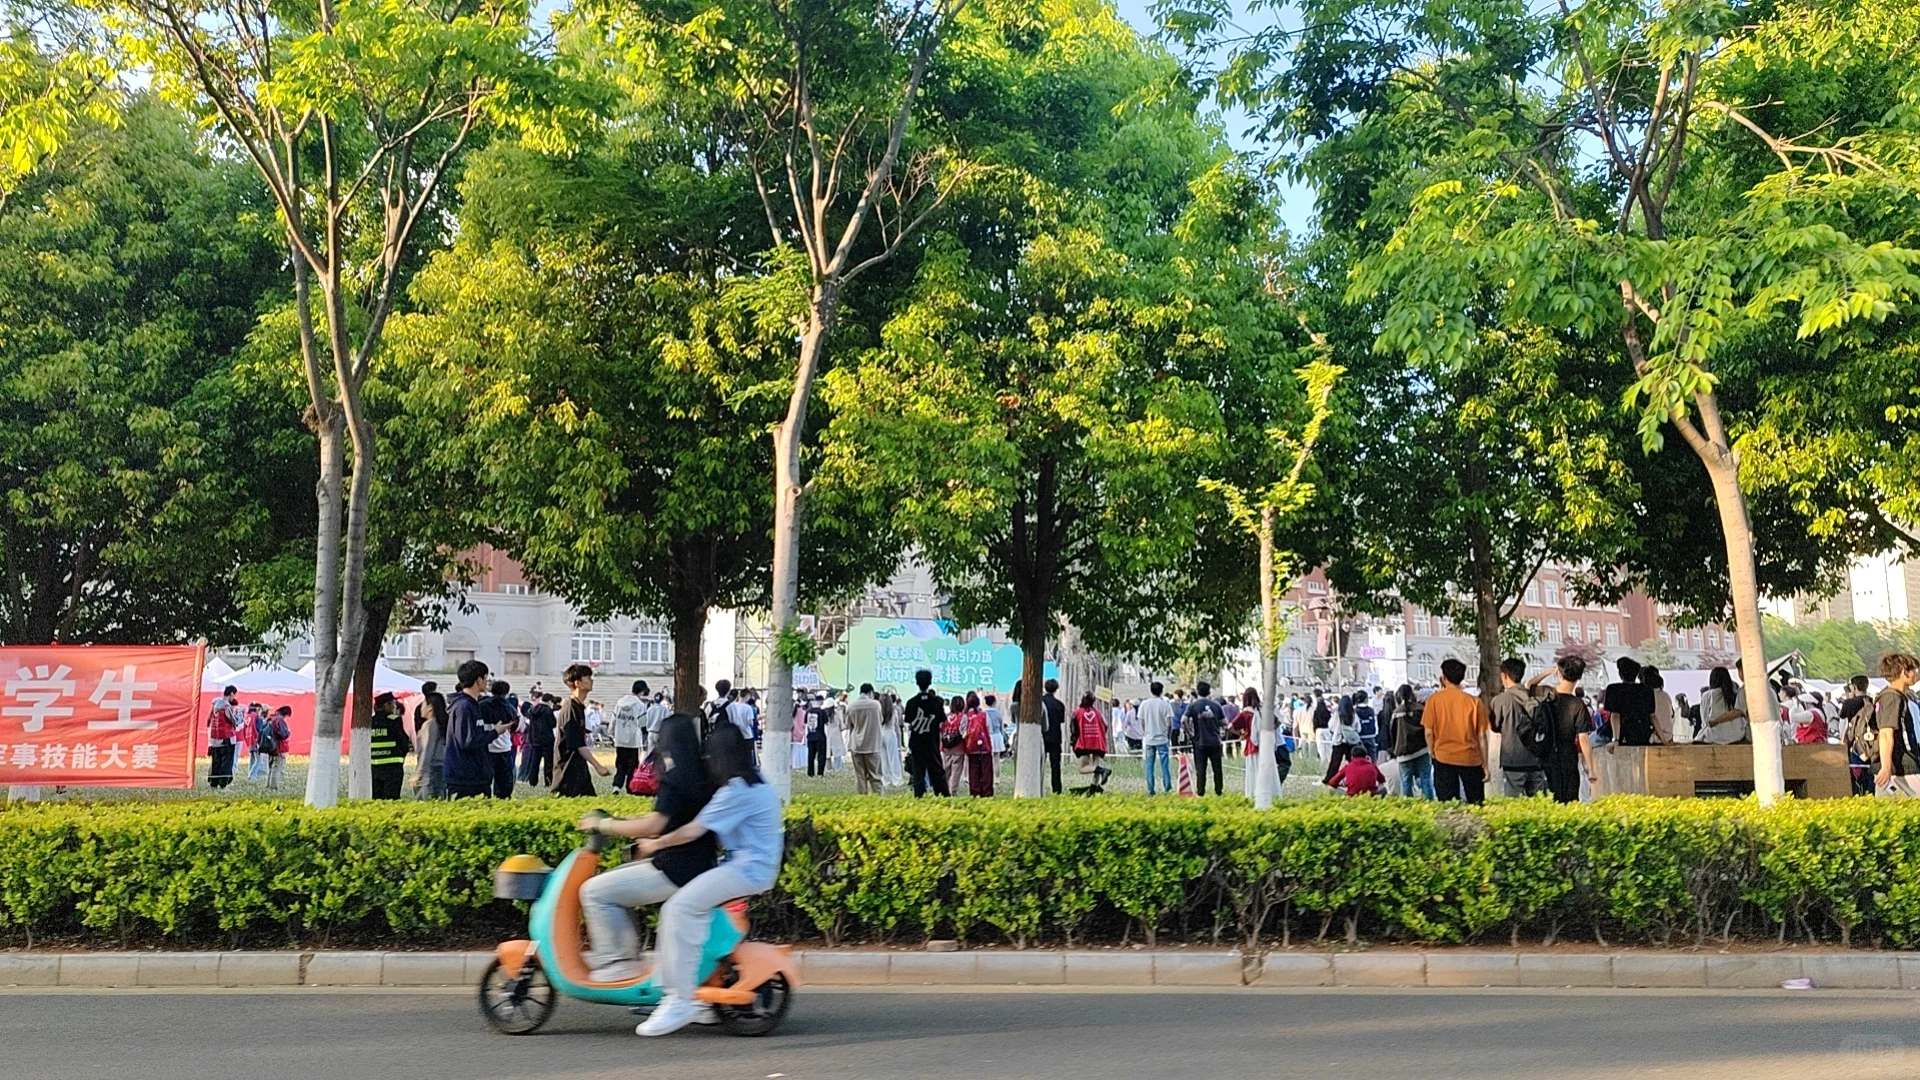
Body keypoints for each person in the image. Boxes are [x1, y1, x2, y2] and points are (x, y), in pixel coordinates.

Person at [635, 723, 784, 1038]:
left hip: (746, 870)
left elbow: (693, 831)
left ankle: (680, 998)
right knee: (693, 916)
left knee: (679, 909)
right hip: (750, 866)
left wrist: (655, 844)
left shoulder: (736, 792)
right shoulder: (759, 783)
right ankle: (702, 999)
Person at [577, 715, 720, 984]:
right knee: (616, 883)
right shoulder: (703, 774)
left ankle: (618, 961)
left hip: (673, 869)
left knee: (594, 891)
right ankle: (627, 956)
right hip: (699, 864)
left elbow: (655, 824)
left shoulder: (675, 778)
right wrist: (624, 822)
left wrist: (605, 824)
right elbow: (670, 819)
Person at [1420, 658, 1491, 804]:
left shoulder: (1433, 700)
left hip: (1443, 757)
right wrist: (1485, 764)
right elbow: (1482, 736)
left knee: (1448, 806)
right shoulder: (1475, 702)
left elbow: (1428, 732)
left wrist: (1431, 750)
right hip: (1471, 758)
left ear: (1444, 677)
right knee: (1476, 803)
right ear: (1463, 677)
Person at [445, 661, 507, 799]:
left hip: (475, 776)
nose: (487, 682)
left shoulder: (472, 704)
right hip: (465, 778)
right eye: (486, 678)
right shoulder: (464, 706)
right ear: (478, 680)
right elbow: (468, 741)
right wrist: (495, 732)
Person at [1543, 656, 1599, 802]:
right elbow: (1583, 738)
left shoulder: (1547, 696)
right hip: (1568, 756)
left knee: (1550, 801)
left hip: (1546, 755)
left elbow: (1528, 684)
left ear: (1559, 674)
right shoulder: (1578, 704)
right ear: (1579, 677)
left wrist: (1549, 672)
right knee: (1569, 800)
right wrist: (1591, 768)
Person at [1489, 658, 1547, 798]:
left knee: (1515, 803)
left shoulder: (1500, 700)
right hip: (1536, 757)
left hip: (1513, 758)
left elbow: (1495, 727)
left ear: (1504, 675)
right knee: (1540, 804)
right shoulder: (1534, 697)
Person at [554, 664, 612, 796]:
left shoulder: (578, 707)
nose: (592, 680)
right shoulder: (570, 708)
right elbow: (578, 744)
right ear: (577, 683)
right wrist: (598, 766)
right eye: (588, 677)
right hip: (567, 769)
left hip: (578, 766)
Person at [1871, 653, 1920, 797]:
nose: (1916, 674)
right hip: (1899, 768)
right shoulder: (1892, 697)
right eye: (1914, 670)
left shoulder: (1890, 696)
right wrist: (1886, 767)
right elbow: (1886, 733)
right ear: (1904, 671)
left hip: (1897, 767)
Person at [902, 669, 950, 797]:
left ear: (917, 682)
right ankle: (942, 796)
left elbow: (909, 720)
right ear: (930, 682)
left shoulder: (911, 703)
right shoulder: (937, 702)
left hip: (917, 743)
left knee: (918, 773)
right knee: (937, 772)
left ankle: (920, 797)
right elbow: (941, 720)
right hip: (932, 743)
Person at [1390, 684, 1432, 798]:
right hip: (1422, 750)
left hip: (1404, 753)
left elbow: (1393, 733)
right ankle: (1431, 806)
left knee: (1406, 782)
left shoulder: (1396, 712)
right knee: (1426, 779)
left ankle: (1408, 808)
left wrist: (1394, 751)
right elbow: (1427, 728)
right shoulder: (1421, 709)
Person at [1602, 657, 1656, 747]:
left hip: (1623, 735)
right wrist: (1664, 740)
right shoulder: (1647, 690)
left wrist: (1616, 739)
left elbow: (1615, 715)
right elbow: (1653, 716)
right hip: (1643, 734)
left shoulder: (1613, 689)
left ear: (1620, 674)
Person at [1186, 680, 1227, 796]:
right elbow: (1225, 722)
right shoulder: (1216, 705)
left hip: (1200, 741)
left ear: (1197, 691)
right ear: (1209, 691)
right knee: (1217, 768)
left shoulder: (1193, 705)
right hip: (1215, 741)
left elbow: (1183, 720)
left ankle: (1200, 791)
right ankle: (1218, 791)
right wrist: (1220, 731)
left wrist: (1190, 733)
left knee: (1201, 769)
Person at [483, 681, 519, 799]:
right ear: (506, 692)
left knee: (485, 780)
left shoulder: (482, 705)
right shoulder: (509, 707)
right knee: (504, 781)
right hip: (503, 747)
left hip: (487, 747)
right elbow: (516, 726)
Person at [610, 681, 649, 792]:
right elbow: (642, 723)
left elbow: (613, 719)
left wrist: (612, 733)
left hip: (620, 739)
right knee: (632, 766)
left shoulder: (620, 702)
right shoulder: (640, 705)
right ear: (642, 691)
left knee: (621, 764)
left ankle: (617, 785)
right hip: (634, 741)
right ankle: (630, 788)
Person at [846, 684, 884, 794]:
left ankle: (862, 800)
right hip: (872, 745)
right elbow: (880, 720)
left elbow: (848, 724)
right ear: (870, 692)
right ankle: (879, 800)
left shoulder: (851, 706)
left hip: (856, 745)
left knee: (860, 777)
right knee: (875, 777)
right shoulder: (876, 705)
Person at [412, 683, 448, 799]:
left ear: (430, 707)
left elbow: (427, 749)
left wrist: (419, 773)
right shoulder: (441, 723)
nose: (421, 707)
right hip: (440, 768)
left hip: (430, 772)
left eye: (423, 704)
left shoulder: (430, 724)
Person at [1139, 681, 1175, 795]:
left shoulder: (1144, 704)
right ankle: (1167, 788)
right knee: (1165, 765)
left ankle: (1151, 790)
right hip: (1162, 739)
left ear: (1151, 690)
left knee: (1149, 765)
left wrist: (1146, 732)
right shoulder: (1165, 705)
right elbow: (1170, 724)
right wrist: (1168, 737)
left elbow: (1142, 721)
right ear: (1161, 691)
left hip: (1149, 739)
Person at [1071, 691, 1111, 790]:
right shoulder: (1098, 712)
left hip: (1085, 742)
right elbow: (1106, 724)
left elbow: (1073, 729)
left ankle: (1102, 771)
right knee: (1095, 765)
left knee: (1082, 768)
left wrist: (1074, 741)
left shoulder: (1077, 712)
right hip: (1098, 742)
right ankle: (1094, 787)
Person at [1701, 666, 1750, 744]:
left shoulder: (1707, 695)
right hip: (1737, 735)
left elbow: (1705, 720)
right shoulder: (1735, 694)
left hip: (1715, 736)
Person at [206, 685, 241, 789]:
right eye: (234, 695)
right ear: (231, 693)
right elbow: (233, 721)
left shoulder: (215, 705)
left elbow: (209, 721)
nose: (233, 697)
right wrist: (239, 716)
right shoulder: (226, 706)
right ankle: (223, 783)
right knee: (227, 762)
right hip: (227, 738)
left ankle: (213, 782)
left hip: (215, 738)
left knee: (216, 761)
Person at [520, 693, 558, 786]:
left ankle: (532, 781)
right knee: (548, 762)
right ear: (549, 701)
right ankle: (548, 781)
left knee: (535, 762)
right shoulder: (548, 710)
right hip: (547, 739)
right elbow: (553, 724)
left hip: (535, 739)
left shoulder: (533, 709)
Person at [964, 692, 995, 796]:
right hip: (984, 748)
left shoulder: (966, 716)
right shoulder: (984, 715)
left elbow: (962, 732)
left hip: (971, 748)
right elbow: (990, 730)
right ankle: (987, 792)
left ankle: (975, 792)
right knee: (986, 771)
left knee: (973, 771)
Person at [1041, 679, 1067, 794]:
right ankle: (1057, 789)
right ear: (1056, 689)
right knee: (1055, 765)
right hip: (1055, 738)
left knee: (1039, 764)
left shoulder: (1040, 702)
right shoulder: (1059, 704)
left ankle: (1037, 786)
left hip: (1041, 737)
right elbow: (1061, 720)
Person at [1645, 667, 1682, 745]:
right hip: (1668, 736)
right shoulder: (1666, 696)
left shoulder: (1648, 696)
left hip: (1655, 737)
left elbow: (1653, 718)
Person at [941, 695, 969, 793]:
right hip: (958, 747)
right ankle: (952, 790)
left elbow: (941, 729)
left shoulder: (946, 716)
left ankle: (943, 789)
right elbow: (963, 732)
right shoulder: (963, 717)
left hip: (946, 747)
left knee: (946, 769)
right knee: (956, 771)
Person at [263, 706, 292, 792]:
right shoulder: (280, 720)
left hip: (270, 746)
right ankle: (273, 787)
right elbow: (283, 734)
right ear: (285, 714)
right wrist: (288, 733)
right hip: (279, 747)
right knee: (277, 767)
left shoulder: (270, 719)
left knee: (271, 766)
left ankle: (268, 785)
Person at [880, 691, 905, 789]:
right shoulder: (893, 711)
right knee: (893, 758)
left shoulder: (879, 711)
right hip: (890, 733)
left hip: (881, 733)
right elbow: (896, 725)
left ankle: (886, 780)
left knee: (883, 758)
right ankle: (897, 780)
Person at [804, 694, 831, 778]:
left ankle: (810, 772)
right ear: (821, 701)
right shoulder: (822, 712)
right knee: (821, 755)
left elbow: (805, 723)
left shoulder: (808, 711)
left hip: (810, 736)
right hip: (820, 736)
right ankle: (820, 772)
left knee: (811, 755)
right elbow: (827, 722)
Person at [984, 693, 1007, 757]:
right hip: (997, 736)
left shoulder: (983, 713)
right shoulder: (998, 713)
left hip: (987, 737)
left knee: (988, 759)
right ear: (994, 702)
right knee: (996, 758)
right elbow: (1001, 728)